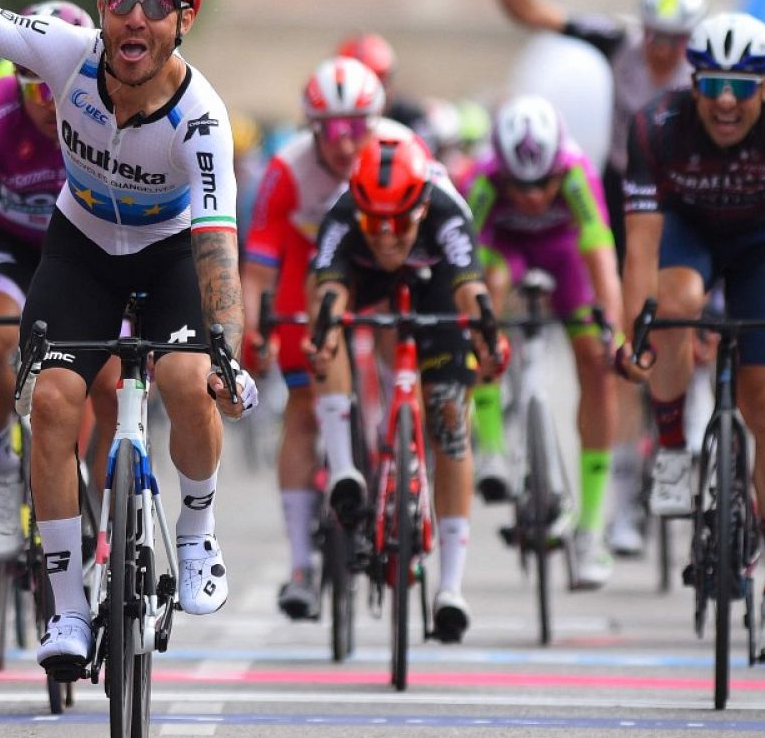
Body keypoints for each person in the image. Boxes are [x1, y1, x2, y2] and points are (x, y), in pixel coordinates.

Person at [0, 0, 256, 678]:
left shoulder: (202, 118)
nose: (134, 17)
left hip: (171, 251)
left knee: (183, 378)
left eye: (155, 5)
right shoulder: (64, 53)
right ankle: (67, 606)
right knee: (56, 404)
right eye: (120, 0)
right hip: (81, 245)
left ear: (182, 22)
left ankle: (197, 532)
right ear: (101, 10)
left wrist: (225, 345)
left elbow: (215, 246)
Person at [614, 12, 765, 663]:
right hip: (688, 237)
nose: (726, 102)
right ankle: (674, 447)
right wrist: (639, 332)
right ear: (694, 82)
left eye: (743, 87)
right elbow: (640, 248)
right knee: (674, 306)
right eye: (712, 84)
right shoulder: (656, 126)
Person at [479, 0, 709, 554]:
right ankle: (628, 496)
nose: (664, 52)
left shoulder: (708, 66)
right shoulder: (617, 42)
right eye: (657, 37)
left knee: (695, 326)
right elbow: (533, 14)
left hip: (687, 201)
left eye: (678, 41)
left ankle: (692, 433)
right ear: (642, 29)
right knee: (626, 340)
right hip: (620, 193)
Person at [0, 0, 122, 564]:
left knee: (113, 384)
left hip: (93, 248)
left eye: (53, 82)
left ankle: (100, 507)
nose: (43, 97)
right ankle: (1, 471)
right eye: (28, 81)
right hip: (13, 248)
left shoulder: (111, 107)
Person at [308, 133, 506, 643]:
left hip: (436, 277)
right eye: (376, 222)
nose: (389, 235)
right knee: (325, 322)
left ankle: (451, 588)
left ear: (420, 205)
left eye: (399, 221)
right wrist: (326, 332)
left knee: (449, 419)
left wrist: (488, 336)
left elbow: (470, 287)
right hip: (363, 276)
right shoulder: (344, 213)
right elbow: (329, 285)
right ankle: (346, 470)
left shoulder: (446, 211)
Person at [242, 55, 388, 619]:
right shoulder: (288, 170)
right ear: (312, 128)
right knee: (302, 409)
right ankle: (301, 564)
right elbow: (256, 271)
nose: (346, 144)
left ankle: (395, 465)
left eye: (358, 128)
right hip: (306, 279)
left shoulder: (398, 151)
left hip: (376, 274)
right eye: (332, 130)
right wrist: (253, 335)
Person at [464, 94, 622, 589]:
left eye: (543, 184)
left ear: (559, 167)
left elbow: (601, 257)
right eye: (520, 186)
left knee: (596, 364)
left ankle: (591, 530)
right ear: (502, 170)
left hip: (564, 256)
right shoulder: (484, 181)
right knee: (483, 302)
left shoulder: (577, 175)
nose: (533, 197)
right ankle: (490, 447)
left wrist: (612, 330)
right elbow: (463, 259)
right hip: (504, 253)